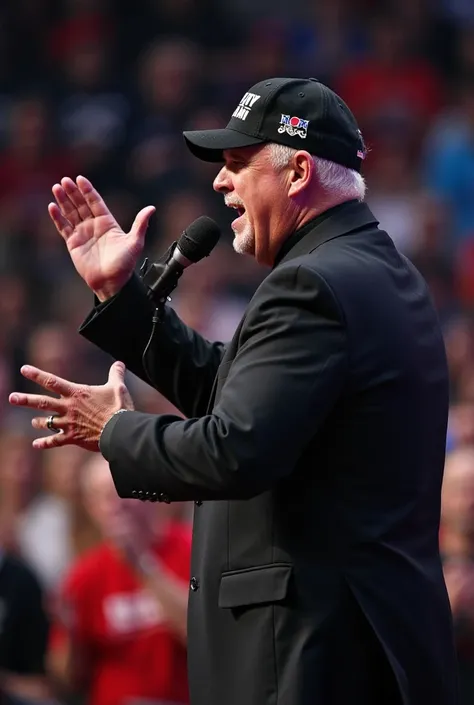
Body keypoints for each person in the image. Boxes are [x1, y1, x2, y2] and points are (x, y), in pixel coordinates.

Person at [9, 77, 459, 705]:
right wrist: (124, 298)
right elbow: (242, 396)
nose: (220, 183)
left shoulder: (309, 284)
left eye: (238, 163)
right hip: (356, 645)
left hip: (311, 657)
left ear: (298, 171)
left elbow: (237, 447)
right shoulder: (373, 269)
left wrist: (115, 430)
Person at [48, 455, 190, 705]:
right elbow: (68, 679)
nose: (117, 505)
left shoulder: (189, 549)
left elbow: (202, 634)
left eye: (124, 491)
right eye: (104, 496)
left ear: (148, 493)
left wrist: (141, 565)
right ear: (91, 507)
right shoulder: (83, 576)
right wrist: (70, 633)